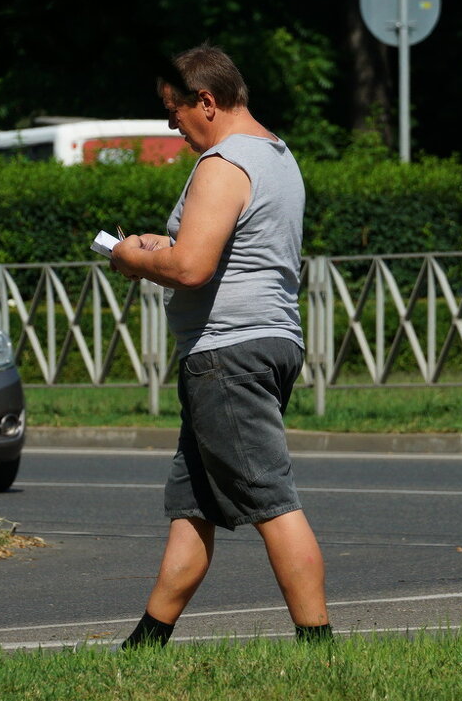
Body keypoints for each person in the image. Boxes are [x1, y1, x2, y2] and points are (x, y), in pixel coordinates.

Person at [109, 44, 331, 647]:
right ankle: (145, 644)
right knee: (195, 508)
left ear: (206, 101)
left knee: (272, 501)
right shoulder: (274, 154)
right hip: (267, 342)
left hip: (227, 356)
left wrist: (131, 256)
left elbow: (192, 269)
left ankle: (321, 650)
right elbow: (220, 248)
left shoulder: (223, 163)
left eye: (174, 110)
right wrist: (168, 243)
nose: (171, 125)